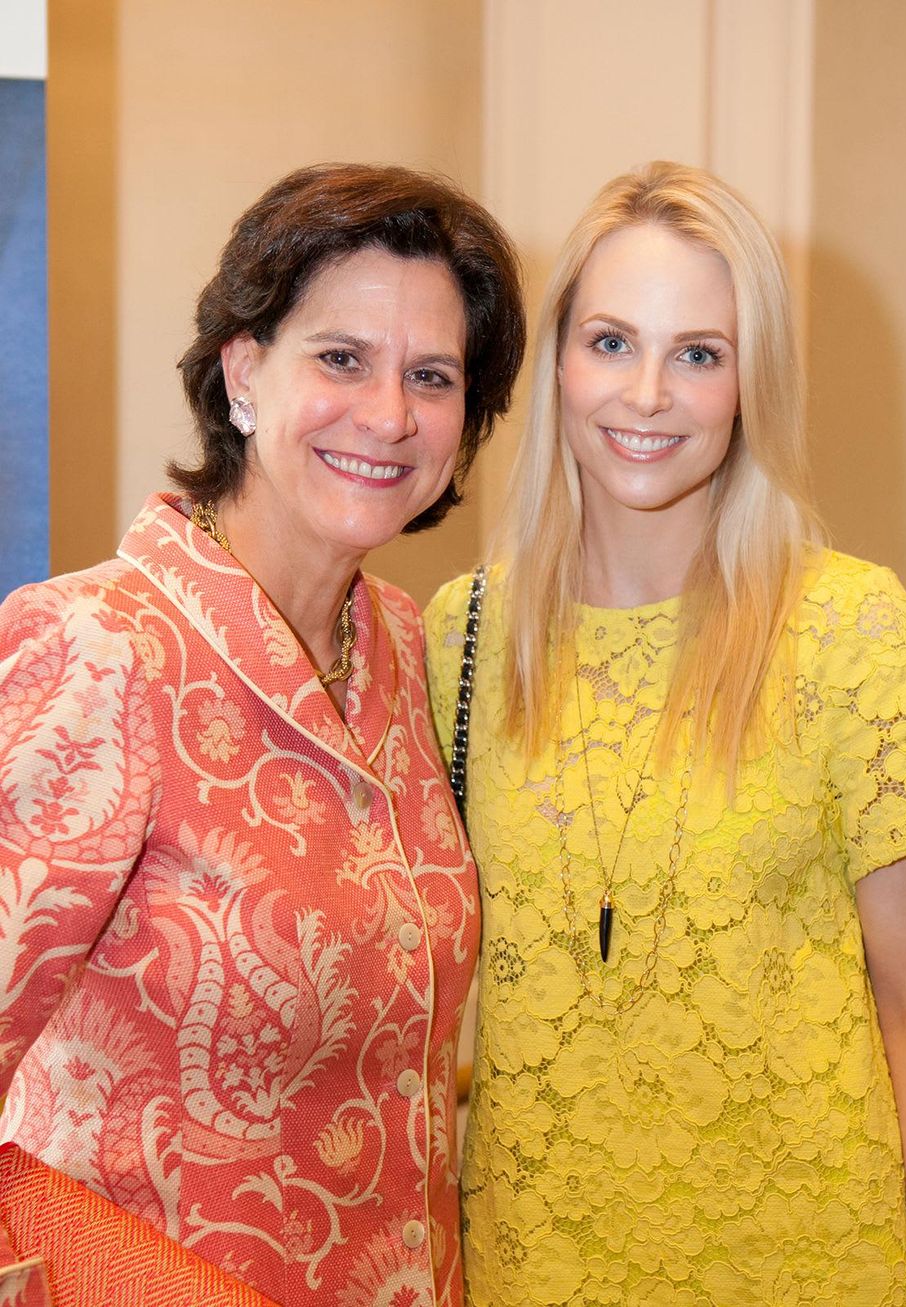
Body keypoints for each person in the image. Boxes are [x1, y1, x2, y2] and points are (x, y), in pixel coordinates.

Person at [424, 161, 906, 1306]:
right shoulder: (462, 637)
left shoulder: (847, 629)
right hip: (533, 1271)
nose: (645, 395)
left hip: (813, 1268)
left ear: (747, 382)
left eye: (698, 353)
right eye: (612, 342)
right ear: (558, 361)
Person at [0, 162, 524, 1306]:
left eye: (429, 376)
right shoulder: (101, 648)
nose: (388, 413)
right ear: (243, 372)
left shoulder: (408, 648)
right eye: (341, 358)